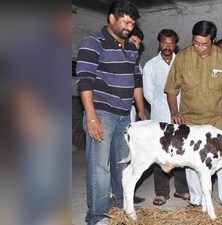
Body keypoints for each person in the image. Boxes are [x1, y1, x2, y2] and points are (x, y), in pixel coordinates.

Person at [75, 1, 145, 224]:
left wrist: (142, 112)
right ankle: (96, 216)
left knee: (121, 164)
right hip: (102, 113)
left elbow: (135, 81)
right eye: (125, 21)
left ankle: (119, 204)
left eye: (132, 23)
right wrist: (92, 117)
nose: (129, 26)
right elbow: (84, 82)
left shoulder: (131, 48)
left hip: (125, 115)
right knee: (100, 168)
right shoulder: (93, 43)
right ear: (111, 19)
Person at [164, 20, 222, 207]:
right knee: (192, 160)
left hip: (218, 118)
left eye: (204, 44)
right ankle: (196, 198)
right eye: (196, 43)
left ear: (213, 40)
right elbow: (171, 89)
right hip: (190, 119)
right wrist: (174, 112)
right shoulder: (183, 57)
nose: (199, 47)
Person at [142, 29, 190, 206]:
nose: (167, 46)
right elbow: (148, 94)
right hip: (160, 116)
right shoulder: (150, 65)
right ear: (159, 43)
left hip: (181, 115)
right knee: (160, 154)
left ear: (175, 44)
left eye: (171, 43)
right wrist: (161, 107)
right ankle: (161, 192)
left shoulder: (183, 62)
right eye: (164, 42)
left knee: (181, 152)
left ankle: (182, 189)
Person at [127, 26, 147, 123]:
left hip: (128, 110)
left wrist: (141, 112)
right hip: (107, 112)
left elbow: (137, 86)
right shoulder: (109, 57)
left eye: (139, 43)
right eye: (134, 41)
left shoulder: (136, 65)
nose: (137, 46)